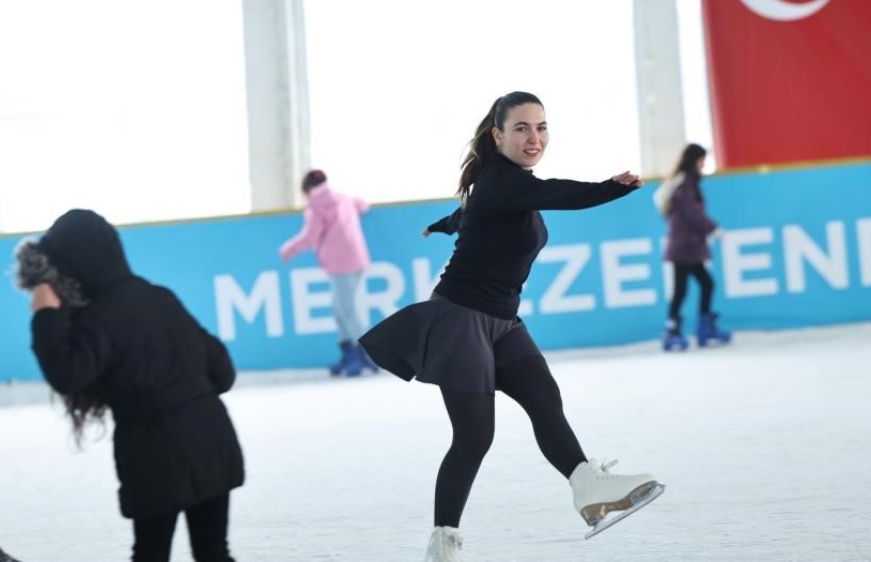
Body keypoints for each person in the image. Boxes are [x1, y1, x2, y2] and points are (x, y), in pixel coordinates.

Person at [359, 92, 665, 561]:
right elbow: (556, 194)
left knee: (544, 397)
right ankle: (444, 543)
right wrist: (610, 187)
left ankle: (587, 486)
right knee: (475, 437)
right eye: (522, 128)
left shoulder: (504, 187)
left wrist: (446, 222)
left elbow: (475, 213)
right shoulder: (503, 181)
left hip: (503, 322)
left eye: (541, 127)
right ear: (498, 135)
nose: (534, 138)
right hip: (460, 320)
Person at [18, 209, 244, 562]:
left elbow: (67, 374)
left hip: (154, 454)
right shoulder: (161, 297)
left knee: (150, 554)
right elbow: (223, 373)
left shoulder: (97, 319)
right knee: (214, 553)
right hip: (212, 441)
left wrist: (47, 314)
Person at [279, 170, 379, 376]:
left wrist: (288, 249)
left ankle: (366, 355)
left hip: (340, 263)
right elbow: (363, 205)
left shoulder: (315, 206)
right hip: (357, 257)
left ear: (306, 189)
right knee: (338, 307)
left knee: (348, 310)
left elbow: (310, 236)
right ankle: (350, 353)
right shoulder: (343, 198)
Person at [653, 143, 732, 351]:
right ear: (694, 160)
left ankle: (703, 327)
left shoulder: (687, 182)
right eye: (702, 160)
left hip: (690, 245)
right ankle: (672, 329)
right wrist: (714, 229)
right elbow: (692, 213)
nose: (704, 164)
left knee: (706, 283)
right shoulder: (684, 184)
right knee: (682, 289)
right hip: (683, 246)